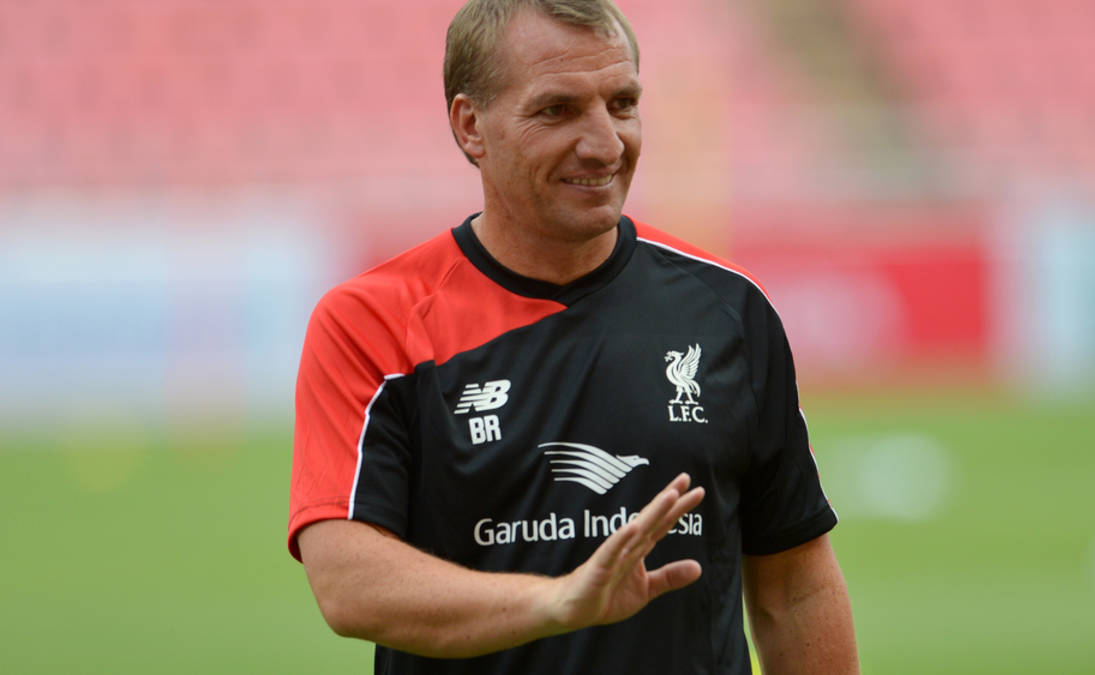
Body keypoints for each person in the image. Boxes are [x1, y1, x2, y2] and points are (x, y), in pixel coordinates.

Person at [287, 0, 859, 672]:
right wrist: (558, 601)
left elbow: (794, 588)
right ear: (471, 126)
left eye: (622, 104)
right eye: (557, 110)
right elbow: (349, 583)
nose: (605, 144)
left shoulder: (729, 310)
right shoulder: (372, 322)